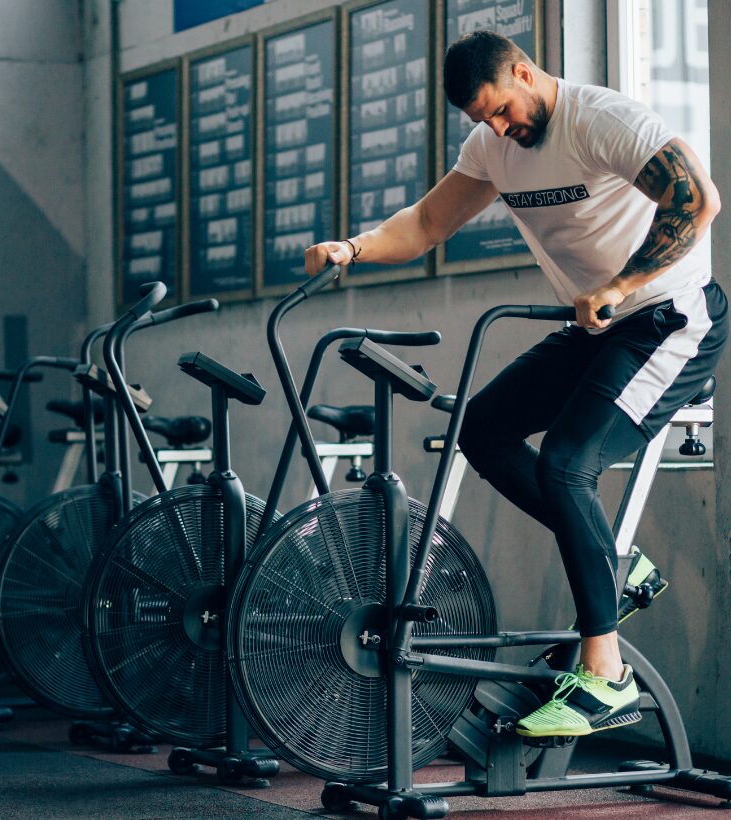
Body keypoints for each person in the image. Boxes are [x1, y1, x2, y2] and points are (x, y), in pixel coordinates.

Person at [304, 30, 726, 738]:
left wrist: (622, 284)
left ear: (525, 73)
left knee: (566, 466)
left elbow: (696, 201)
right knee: (482, 429)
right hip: (598, 325)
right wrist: (353, 248)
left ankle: (606, 676)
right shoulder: (491, 149)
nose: (498, 129)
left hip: (670, 318)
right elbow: (428, 222)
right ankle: (615, 567)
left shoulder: (604, 119)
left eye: (501, 111)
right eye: (482, 122)